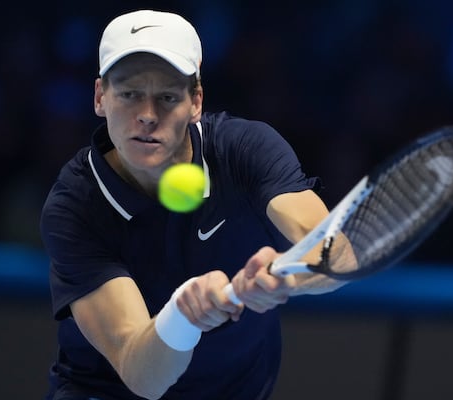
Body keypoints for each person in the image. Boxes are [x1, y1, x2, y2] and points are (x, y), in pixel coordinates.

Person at [40, 9, 356, 400]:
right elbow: (143, 376)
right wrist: (184, 316)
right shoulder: (75, 206)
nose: (147, 116)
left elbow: (337, 253)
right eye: (129, 94)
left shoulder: (245, 150)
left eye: (168, 97)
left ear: (196, 102)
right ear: (100, 97)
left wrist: (285, 277)